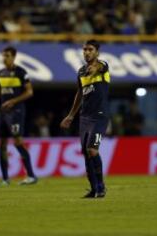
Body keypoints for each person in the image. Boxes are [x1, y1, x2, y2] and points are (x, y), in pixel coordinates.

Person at [60, 40, 109, 198]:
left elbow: (98, 68)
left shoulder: (103, 65)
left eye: (90, 49)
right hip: (84, 118)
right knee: (85, 153)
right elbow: (79, 94)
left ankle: (101, 187)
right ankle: (93, 188)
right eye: (85, 50)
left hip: (99, 116)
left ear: (97, 52)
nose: (87, 52)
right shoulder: (81, 72)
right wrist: (71, 115)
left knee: (92, 150)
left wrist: (94, 70)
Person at [0, 46, 37, 186]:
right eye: (3, 55)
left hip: (16, 112)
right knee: (2, 144)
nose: (4, 58)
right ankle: (5, 179)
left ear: (14, 57)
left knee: (18, 142)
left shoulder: (21, 72)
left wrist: (13, 101)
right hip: (3, 113)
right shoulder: (1, 73)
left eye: (7, 55)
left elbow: (29, 92)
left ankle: (31, 175)